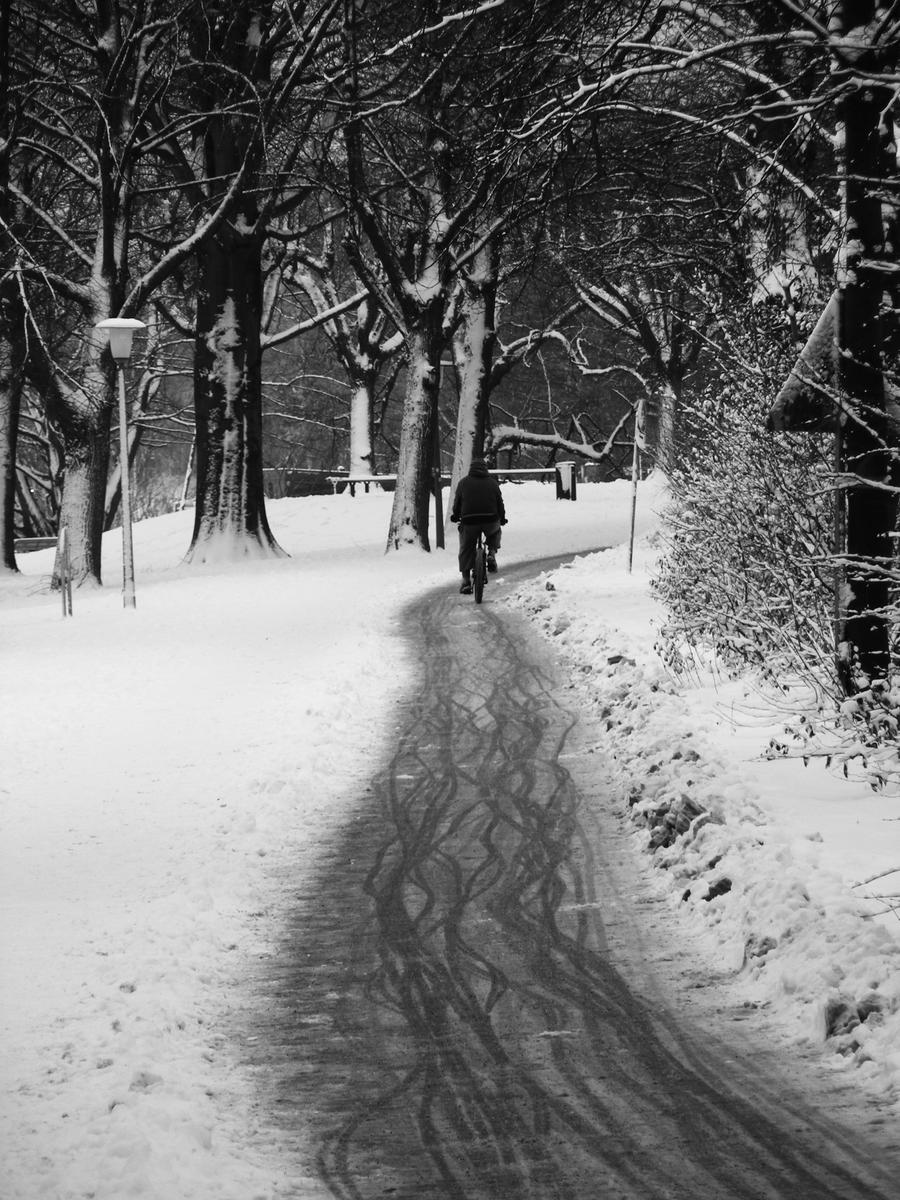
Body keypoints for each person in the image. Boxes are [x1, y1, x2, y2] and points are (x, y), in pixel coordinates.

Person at [449, 458, 507, 594]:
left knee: (466, 548)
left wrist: (455, 516)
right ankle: (491, 553)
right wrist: (502, 518)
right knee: (495, 531)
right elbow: (500, 503)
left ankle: (465, 581)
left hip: (469, 521)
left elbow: (457, 503)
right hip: (490, 519)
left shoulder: (463, 483)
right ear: (485, 469)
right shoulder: (493, 483)